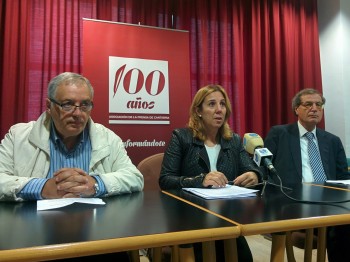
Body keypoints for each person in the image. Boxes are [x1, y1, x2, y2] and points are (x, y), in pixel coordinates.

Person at [0, 72, 144, 260]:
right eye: (67, 104)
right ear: (49, 106)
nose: (77, 113)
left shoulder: (108, 137)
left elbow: (135, 177)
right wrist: (42, 188)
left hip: (98, 238)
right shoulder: (18, 136)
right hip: (36, 239)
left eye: (85, 105)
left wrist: (96, 184)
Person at [159, 84, 263, 262]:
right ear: (198, 110)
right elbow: (166, 180)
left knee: (244, 258)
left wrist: (255, 175)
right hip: (192, 218)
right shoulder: (181, 137)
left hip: (227, 218)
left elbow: (250, 168)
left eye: (222, 104)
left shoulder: (234, 140)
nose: (219, 110)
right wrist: (200, 180)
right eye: (212, 104)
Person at [264, 88, 350, 262]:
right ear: (296, 109)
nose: (314, 108)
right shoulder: (279, 134)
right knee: (339, 228)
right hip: (293, 201)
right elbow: (265, 169)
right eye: (308, 104)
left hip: (330, 201)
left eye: (319, 104)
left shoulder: (332, 140)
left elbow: (343, 179)